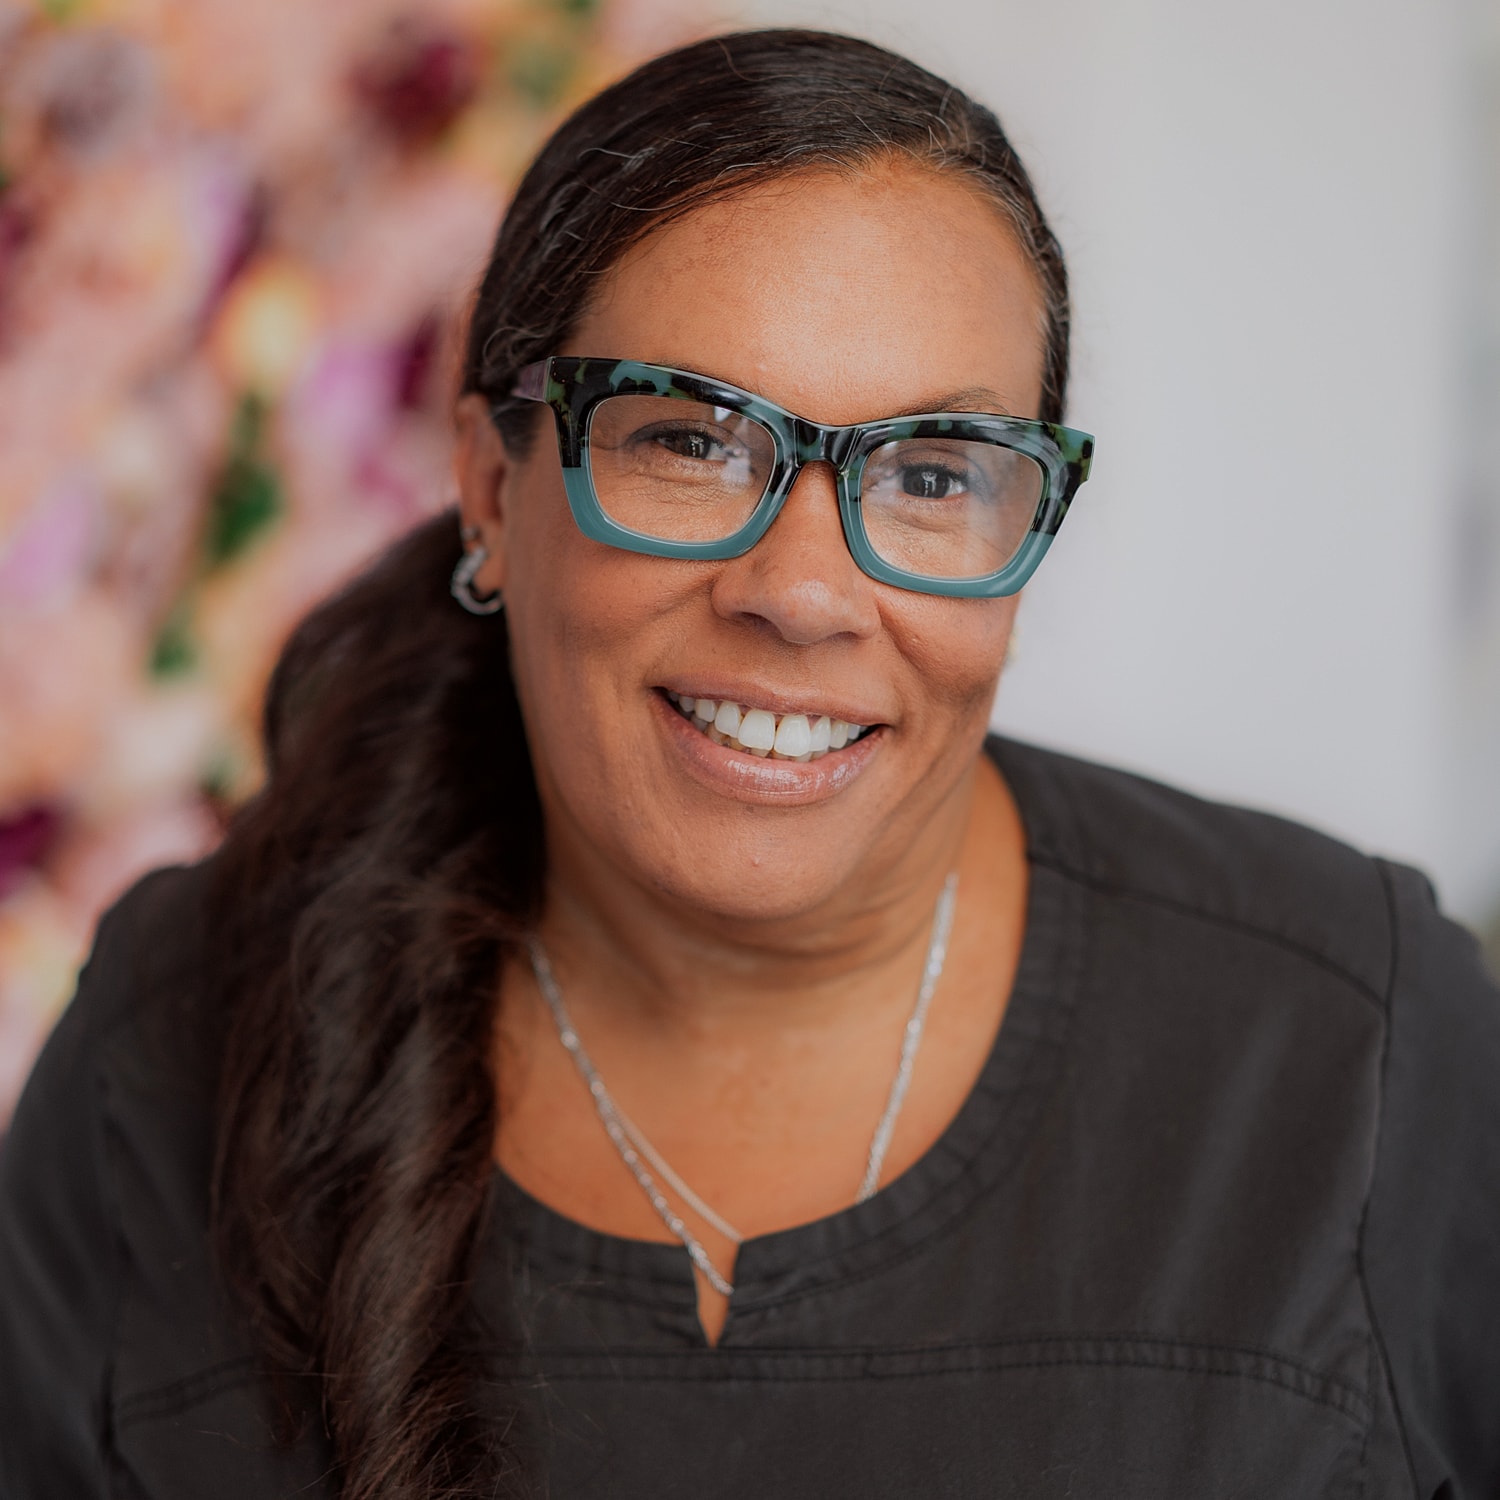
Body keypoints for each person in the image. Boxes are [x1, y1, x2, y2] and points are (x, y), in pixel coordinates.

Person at [2, 26, 1498, 1500]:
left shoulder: (1355, 1049)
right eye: (693, 441)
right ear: (485, 488)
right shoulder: (172, 1052)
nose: (801, 590)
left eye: (929, 474)